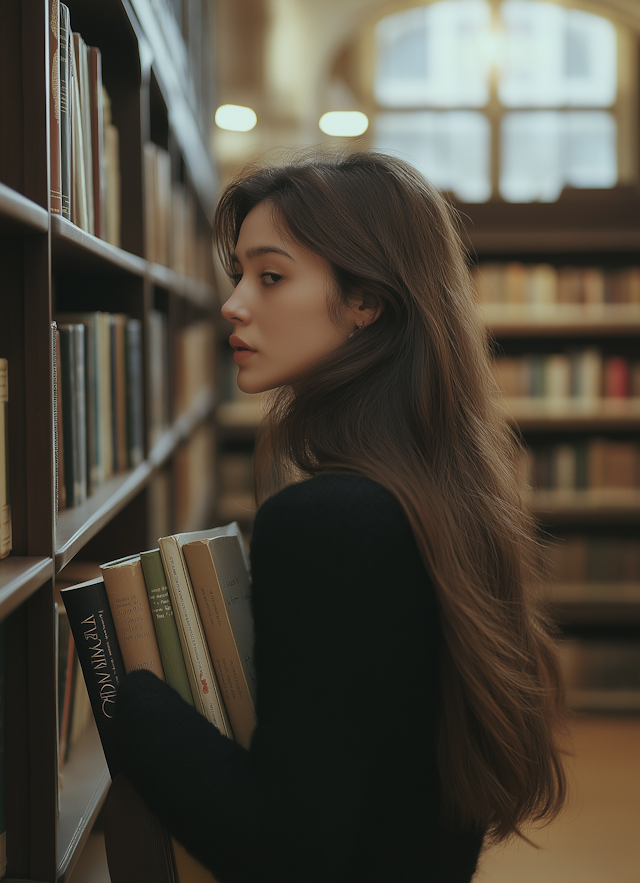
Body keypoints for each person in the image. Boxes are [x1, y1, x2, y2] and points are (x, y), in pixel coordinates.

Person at [113, 151, 567, 883]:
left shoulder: (329, 522)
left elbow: (284, 851)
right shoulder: (443, 494)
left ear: (366, 301)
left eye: (271, 275)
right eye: (239, 274)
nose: (233, 303)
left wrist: (128, 697)